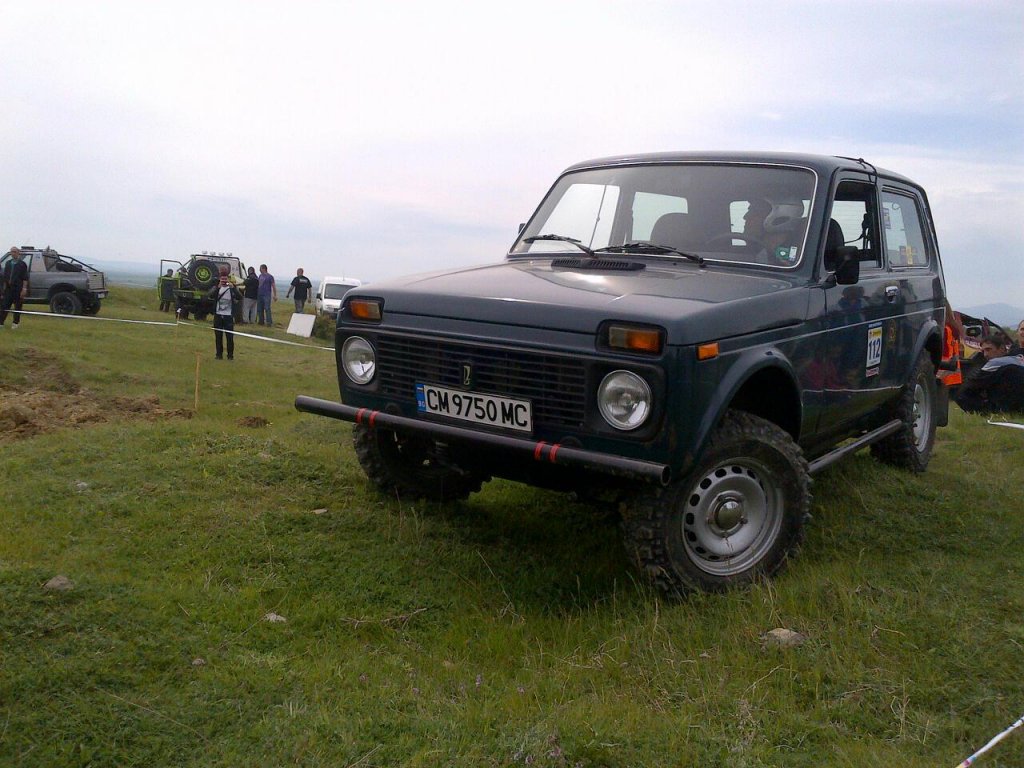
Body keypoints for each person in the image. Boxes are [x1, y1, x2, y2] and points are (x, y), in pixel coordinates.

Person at [207, 267, 242, 360]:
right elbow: (210, 295)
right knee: (218, 336)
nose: (224, 281)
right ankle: (219, 354)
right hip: (218, 315)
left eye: (225, 279)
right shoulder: (217, 287)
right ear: (219, 279)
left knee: (229, 337)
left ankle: (230, 355)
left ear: (228, 279)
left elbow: (239, 297)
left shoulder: (231, 288)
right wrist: (217, 288)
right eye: (222, 279)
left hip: (228, 316)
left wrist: (233, 288)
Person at [0, 247, 29, 329]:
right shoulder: (8, 263)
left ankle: (15, 322)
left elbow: (25, 277)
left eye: (14, 252)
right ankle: (1, 322)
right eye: (11, 252)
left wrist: (24, 289)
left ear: (18, 253)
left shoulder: (22, 264)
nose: (13, 253)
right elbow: (5, 276)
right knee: (4, 305)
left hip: (18, 288)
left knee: (18, 306)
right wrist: (3, 289)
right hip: (8, 289)